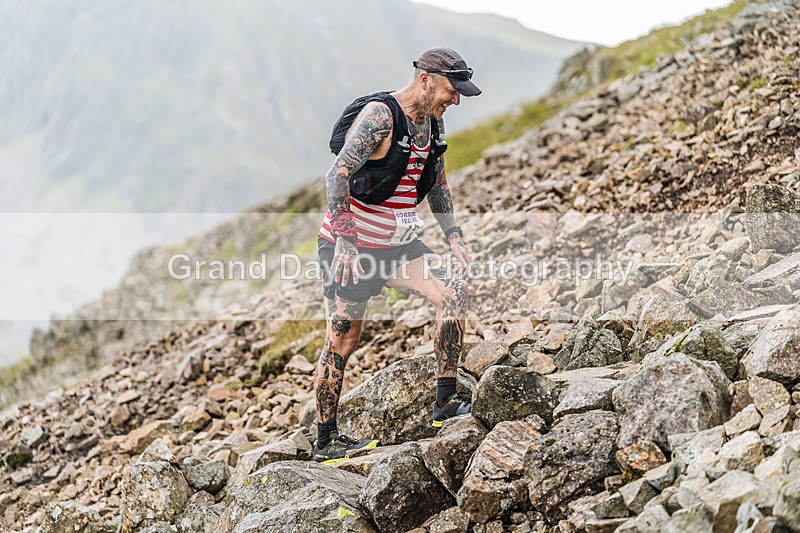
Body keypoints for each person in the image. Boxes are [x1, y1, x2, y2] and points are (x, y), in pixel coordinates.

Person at [312, 47, 481, 464]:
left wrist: (454, 236)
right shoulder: (381, 116)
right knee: (345, 337)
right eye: (450, 90)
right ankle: (325, 439)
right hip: (351, 247)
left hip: (400, 245)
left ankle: (445, 403)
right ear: (425, 79)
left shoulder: (433, 124)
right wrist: (348, 241)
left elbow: (437, 181)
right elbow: (337, 175)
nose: (454, 100)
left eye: (460, 93)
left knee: (454, 292)